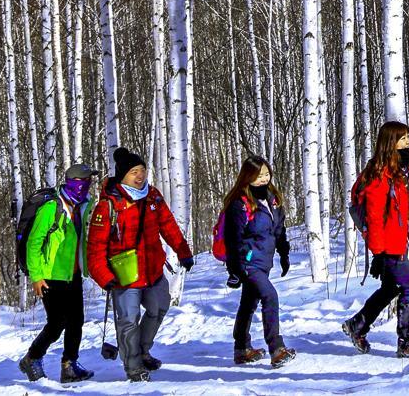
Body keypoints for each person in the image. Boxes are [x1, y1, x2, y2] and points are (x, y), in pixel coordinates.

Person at [86, 146, 195, 382]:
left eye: (142, 170)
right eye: (134, 171)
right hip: (124, 275)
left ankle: (143, 350)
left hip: (153, 269)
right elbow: (94, 249)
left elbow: (168, 225)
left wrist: (183, 251)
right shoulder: (107, 206)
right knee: (128, 321)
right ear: (122, 175)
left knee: (159, 308)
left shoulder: (152, 195)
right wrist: (104, 277)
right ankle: (133, 366)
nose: (140, 176)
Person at [342, 121, 409, 359]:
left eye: (408, 137)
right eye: (402, 138)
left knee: (390, 287)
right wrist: (378, 252)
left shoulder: (408, 167)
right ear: (390, 142)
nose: (408, 142)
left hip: (403, 238)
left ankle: (357, 325)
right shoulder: (380, 175)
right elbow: (375, 217)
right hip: (389, 244)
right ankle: (406, 341)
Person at [18, 163, 97, 383]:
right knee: (57, 323)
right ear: (74, 183)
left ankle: (69, 365)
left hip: (72, 274)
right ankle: (32, 358)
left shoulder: (82, 206)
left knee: (76, 321)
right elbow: (33, 243)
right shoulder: (51, 208)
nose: (88, 185)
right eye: (85, 181)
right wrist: (36, 276)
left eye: (89, 181)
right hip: (49, 275)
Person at [221, 155, 295, 368]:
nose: (264, 178)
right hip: (248, 262)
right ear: (247, 176)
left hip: (264, 261)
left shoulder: (272, 197)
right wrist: (235, 269)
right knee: (269, 296)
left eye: (266, 173)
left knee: (248, 303)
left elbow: (279, 230)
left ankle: (242, 348)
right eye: (258, 175)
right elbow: (233, 239)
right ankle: (276, 348)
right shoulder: (240, 203)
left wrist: (284, 253)